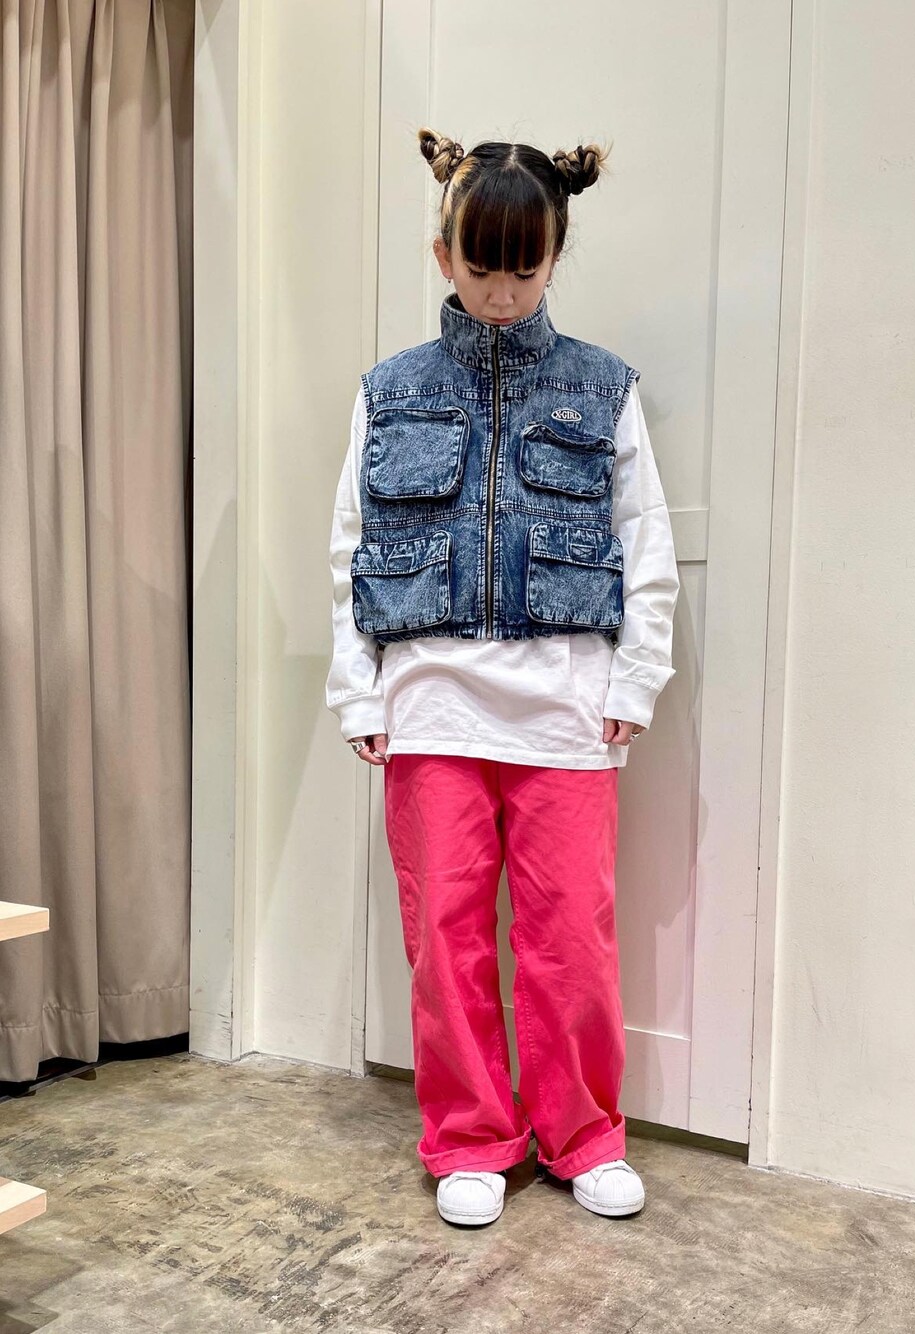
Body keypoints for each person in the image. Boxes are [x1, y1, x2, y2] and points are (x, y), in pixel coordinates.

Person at [325, 128, 680, 1227]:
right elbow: (348, 548)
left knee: (570, 939)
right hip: (430, 703)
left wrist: (635, 680)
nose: (503, 292)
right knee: (446, 939)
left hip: (567, 707)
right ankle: (471, 1136)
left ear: (555, 255)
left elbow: (646, 541)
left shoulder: (604, 386)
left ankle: (584, 1134)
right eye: (482, 268)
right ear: (444, 255)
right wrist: (357, 688)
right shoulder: (389, 390)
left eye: (525, 270)